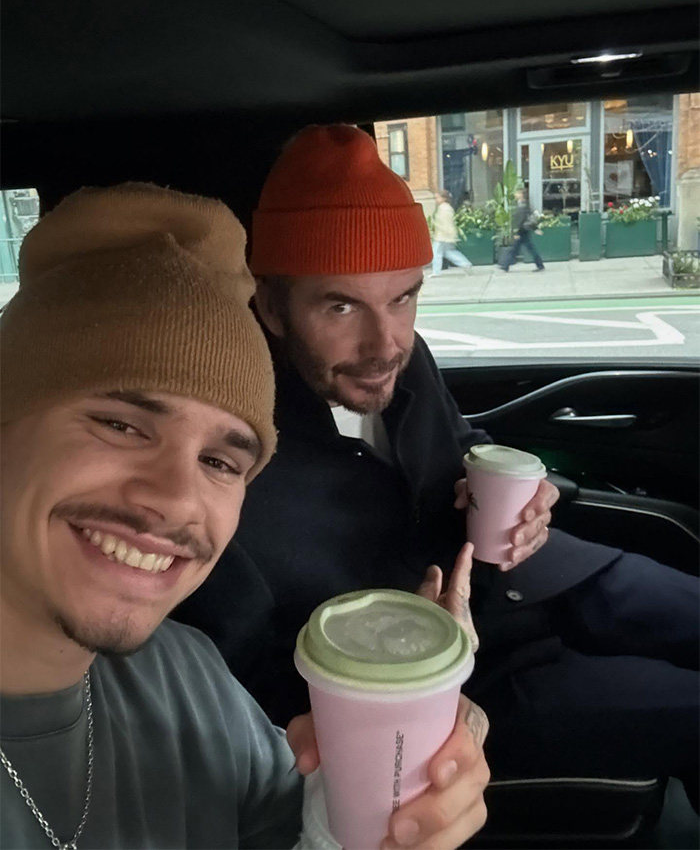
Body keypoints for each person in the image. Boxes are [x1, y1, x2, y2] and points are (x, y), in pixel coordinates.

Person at [174, 126, 698, 811]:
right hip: (472, 679)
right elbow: (251, 691)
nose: (384, 343)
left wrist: (526, 496)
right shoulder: (226, 452)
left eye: (403, 297)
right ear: (272, 308)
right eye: (341, 306)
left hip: (541, 575)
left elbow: (461, 442)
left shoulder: (404, 356)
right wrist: (406, 670)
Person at [0, 182, 490, 849]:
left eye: (220, 461)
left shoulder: (190, 678)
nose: (177, 498)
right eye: (121, 425)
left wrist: (380, 804)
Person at [499, 187, 545, 272]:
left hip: (522, 230)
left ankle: (506, 265)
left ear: (521, 195)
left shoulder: (522, 205)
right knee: (518, 248)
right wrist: (535, 228)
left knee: (519, 248)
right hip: (523, 230)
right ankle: (506, 265)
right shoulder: (523, 204)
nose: (515, 194)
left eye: (517, 193)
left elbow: (521, 219)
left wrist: (517, 232)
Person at [430, 190, 472, 277]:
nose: (436, 200)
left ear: (443, 198)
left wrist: (439, 229)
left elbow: (444, 223)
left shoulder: (443, 209)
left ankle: (436, 272)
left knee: (436, 252)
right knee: (448, 252)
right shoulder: (447, 208)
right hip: (446, 235)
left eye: (437, 198)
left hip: (442, 235)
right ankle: (465, 263)